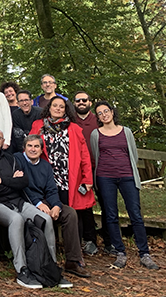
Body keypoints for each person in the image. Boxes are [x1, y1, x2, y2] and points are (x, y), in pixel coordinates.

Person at [0, 128, 67, 289]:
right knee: (16, 219)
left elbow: (23, 182)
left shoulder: (11, 158)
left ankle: (51, 266)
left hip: (19, 202)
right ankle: (22, 269)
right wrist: (11, 181)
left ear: (3, 142)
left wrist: (2, 180)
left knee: (45, 219)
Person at [90, 101, 159, 270]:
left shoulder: (126, 131)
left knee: (135, 214)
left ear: (112, 112)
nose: (104, 114)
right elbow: (95, 155)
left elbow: (133, 154)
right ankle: (119, 252)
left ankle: (145, 253)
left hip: (127, 176)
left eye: (106, 111)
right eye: (100, 113)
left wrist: (128, 171)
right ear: (98, 117)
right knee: (111, 214)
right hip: (105, 177)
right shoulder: (95, 134)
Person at [14, 135, 90, 279]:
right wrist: (38, 204)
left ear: (42, 149)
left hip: (45, 201)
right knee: (42, 218)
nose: (33, 149)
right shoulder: (18, 159)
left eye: (36, 146)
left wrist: (56, 205)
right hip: (27, 202)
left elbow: (51, 189)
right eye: (30, 146)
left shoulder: (45, 165)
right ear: (24, 147)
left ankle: (72, 261)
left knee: (70, 213)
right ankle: (46, 262)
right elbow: (22, 186)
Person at [30, 97, 96, 256]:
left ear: (66, 109)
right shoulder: (38, 126)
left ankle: (74, 251)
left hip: (69, 178)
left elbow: (85, 155)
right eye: (55, 106)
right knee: (48, 212)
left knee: (72, 213)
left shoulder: (74, 128)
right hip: (46, 179)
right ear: (49, 107)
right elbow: (29, 147)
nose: (58, 109)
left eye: (61, 106)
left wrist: (87, 179)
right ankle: (51, 250)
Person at [73, 91, 112, 255]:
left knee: (107, 204)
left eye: (84, 100)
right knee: (85, 205)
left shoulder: (98, 120)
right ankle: (90, 239)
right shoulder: (71, 120)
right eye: (78, 100)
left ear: (90, 102)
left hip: (100, 167)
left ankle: (110, 241)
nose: (81, 102)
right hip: (80, 170)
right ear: (74, 103)